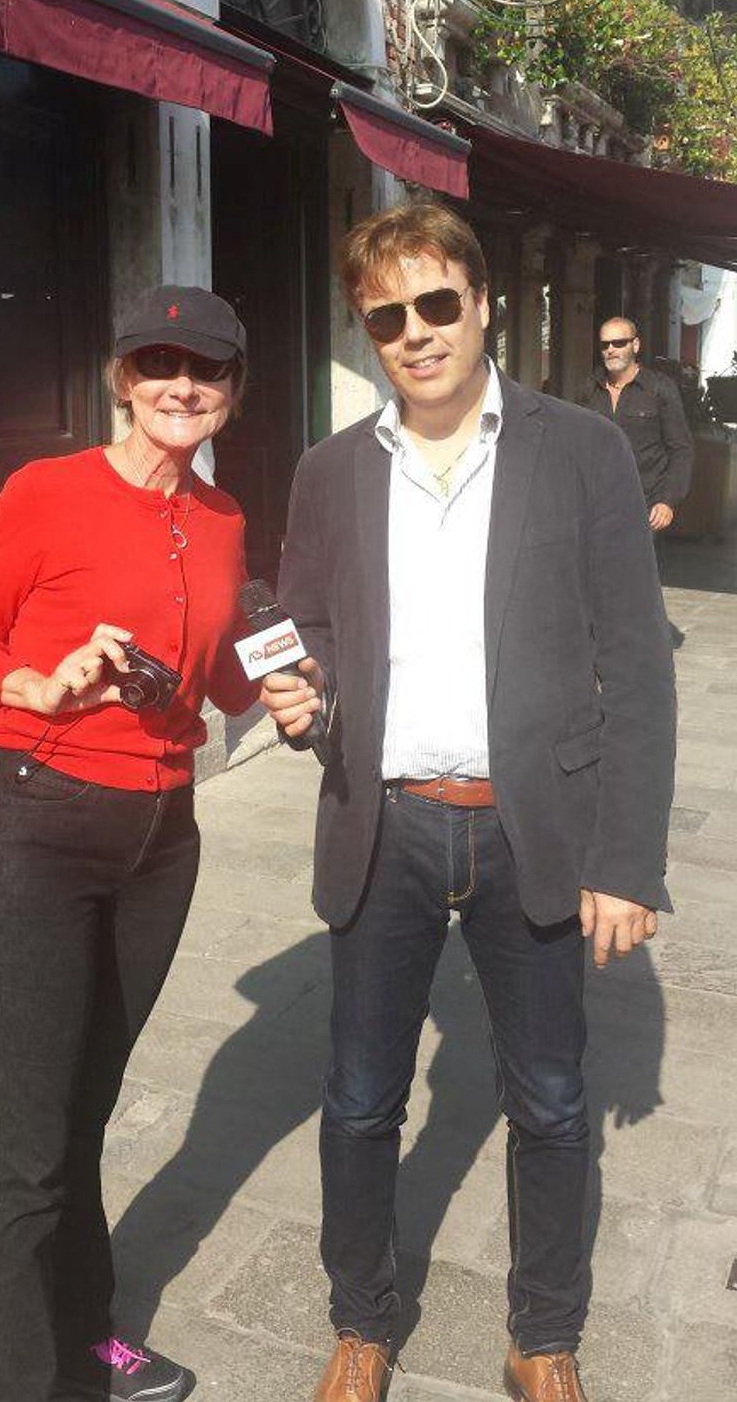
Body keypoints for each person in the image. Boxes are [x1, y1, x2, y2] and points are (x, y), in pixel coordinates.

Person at [258, 201, 675, 1402]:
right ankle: (359, 1320)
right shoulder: (330, 469)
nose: (414, 332)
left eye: (436, 302)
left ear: (483, 302)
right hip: (382, 820)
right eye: (385, 315)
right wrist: (305, 694)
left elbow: (635, 663)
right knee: (356, 1100)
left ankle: (541, 1333)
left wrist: (625, 860)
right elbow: (316, 629)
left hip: (529, 821)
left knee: (548, 1099)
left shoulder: (576, 449)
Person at [0, 285, 258, 1402]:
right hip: (31, 817)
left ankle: (84, 1335)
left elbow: (216, 674)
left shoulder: (219, 520)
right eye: (158, 363)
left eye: (204, 370)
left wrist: (284, 692)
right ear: (122, 377)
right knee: (23, 1132)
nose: (180, 385)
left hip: (160, 837)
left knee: (82, 1106)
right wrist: (40, 680)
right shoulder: (46, 490)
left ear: (230, 392)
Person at [578, 316, 693, 531]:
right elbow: (577, 447)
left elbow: (681, 449)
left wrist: (667, 501)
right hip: (596, 506)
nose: (611, 349)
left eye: (619, 343)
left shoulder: (659, 388)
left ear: (636, 345)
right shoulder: (590, 389)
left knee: (636, 565)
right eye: (605, 345)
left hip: (645, 507)